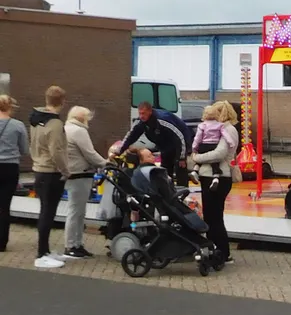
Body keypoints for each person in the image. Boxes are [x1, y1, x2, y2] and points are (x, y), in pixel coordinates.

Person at [189, 101, 239, 264]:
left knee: (214, 217)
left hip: (216, 176)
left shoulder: (227, 129)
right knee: (212, 216)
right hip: (213, 175)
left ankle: (223, 253)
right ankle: (216, 250)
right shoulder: (224, 128)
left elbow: (219, 153)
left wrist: (197, 158)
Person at [29, 86, 71, 268]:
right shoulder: (55, 124)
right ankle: (41, 254)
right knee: (48, 212)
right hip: (51, 172)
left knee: (45, 211)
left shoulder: (36, 119)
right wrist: (65, 170)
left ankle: (45, 250)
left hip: (39, 168)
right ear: (62, 101)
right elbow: (57, 150)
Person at [63, 106, 108, 260]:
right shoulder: (79, 131)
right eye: (87, 117)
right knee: (77, 212)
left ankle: (75, 244)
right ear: (82, 117)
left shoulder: (66, 128)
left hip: (71, 174)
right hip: (80, 175)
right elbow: (89, 153)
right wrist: (106, 163)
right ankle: (72, 245)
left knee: (75, 211)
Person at [119, 101, 193, 182]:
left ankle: (183, 188)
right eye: (140, 113)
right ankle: (167, 190)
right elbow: (131, 136)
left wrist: (181, 157)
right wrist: (120, 150)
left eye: (143, 113)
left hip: (180, 141)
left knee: (180, 166)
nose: (141, 116)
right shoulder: (141, 122)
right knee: (165, 168)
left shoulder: (162, 120)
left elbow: (180, 137)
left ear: (150, 111)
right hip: (165, 144)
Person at [0, 94, 30, 253]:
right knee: (4, 206)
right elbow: (25, 149)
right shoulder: (18, 125)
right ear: (10, 107)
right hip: (10, 167)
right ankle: (2, 242)